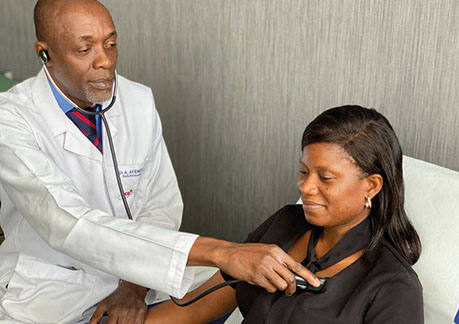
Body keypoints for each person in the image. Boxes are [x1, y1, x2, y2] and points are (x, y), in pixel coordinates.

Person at [0, 0, 319, 323]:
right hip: (50, 289)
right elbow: (69, 223)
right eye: (85, 50)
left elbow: (160, 204)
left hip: (140, 278)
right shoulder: (11, 120)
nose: (105, 61)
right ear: (45, 53)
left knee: (236, 296)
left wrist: (134, 285)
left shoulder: (137, 99)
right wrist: (224, 251)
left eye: (111, 44)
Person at [146, 105, 424, 324]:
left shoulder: (393, 288)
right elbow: (197, 309)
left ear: (371, 186)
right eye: (304, 172)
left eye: (325, 178)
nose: (304, 187)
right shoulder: (285, 224)